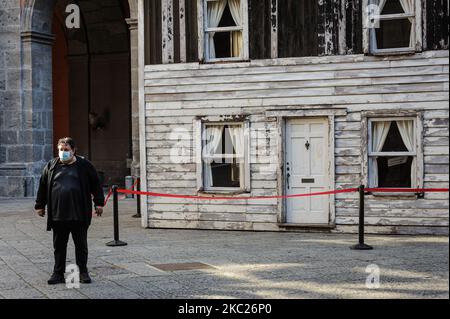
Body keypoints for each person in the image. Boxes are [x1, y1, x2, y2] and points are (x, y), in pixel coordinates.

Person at [35, 137, 105, 285]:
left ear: (73, 150)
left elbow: (96, 184)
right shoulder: (51, 165)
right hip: (58, 214)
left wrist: (99, 203)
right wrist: (40, 205)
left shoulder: (84, 165)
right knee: (59, 246)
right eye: (61, 150)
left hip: (79, 213)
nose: (63, 152)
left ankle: (83, 272)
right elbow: (42, 185)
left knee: (81, 245)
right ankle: (58, 273)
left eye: (66, 150)